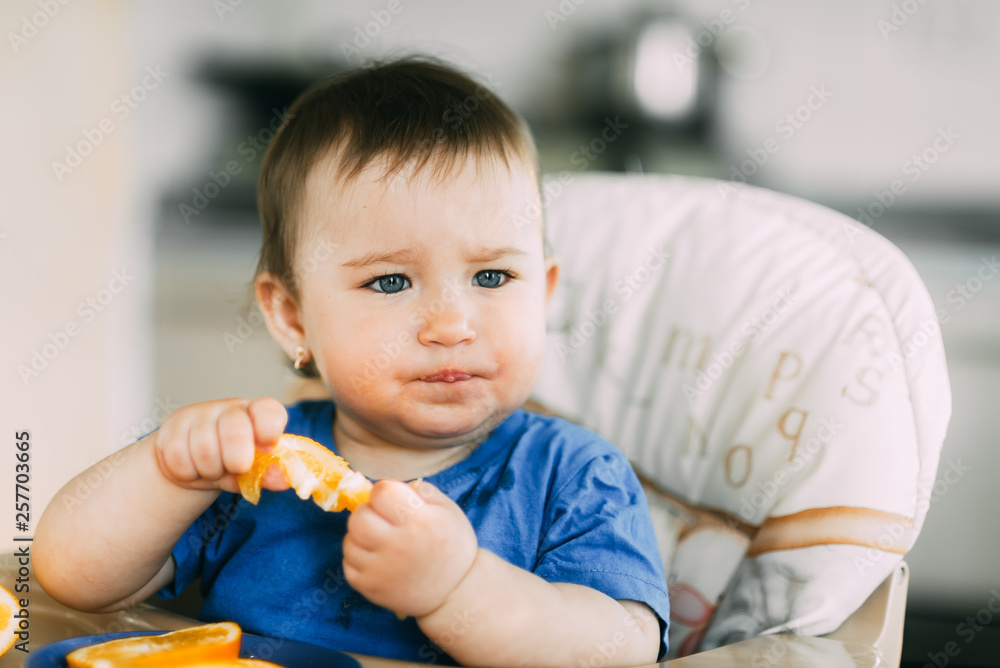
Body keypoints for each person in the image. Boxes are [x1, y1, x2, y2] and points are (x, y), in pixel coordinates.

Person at [35, 57, 670, 666]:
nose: (452, 324)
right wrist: (169, 474)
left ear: (545, 293)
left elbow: (623, 648)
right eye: (391, 282)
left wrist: (458, 588)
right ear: (293, 318)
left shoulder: (573, 475)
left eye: (493, 276)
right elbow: (70, 578)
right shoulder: (255, 464)